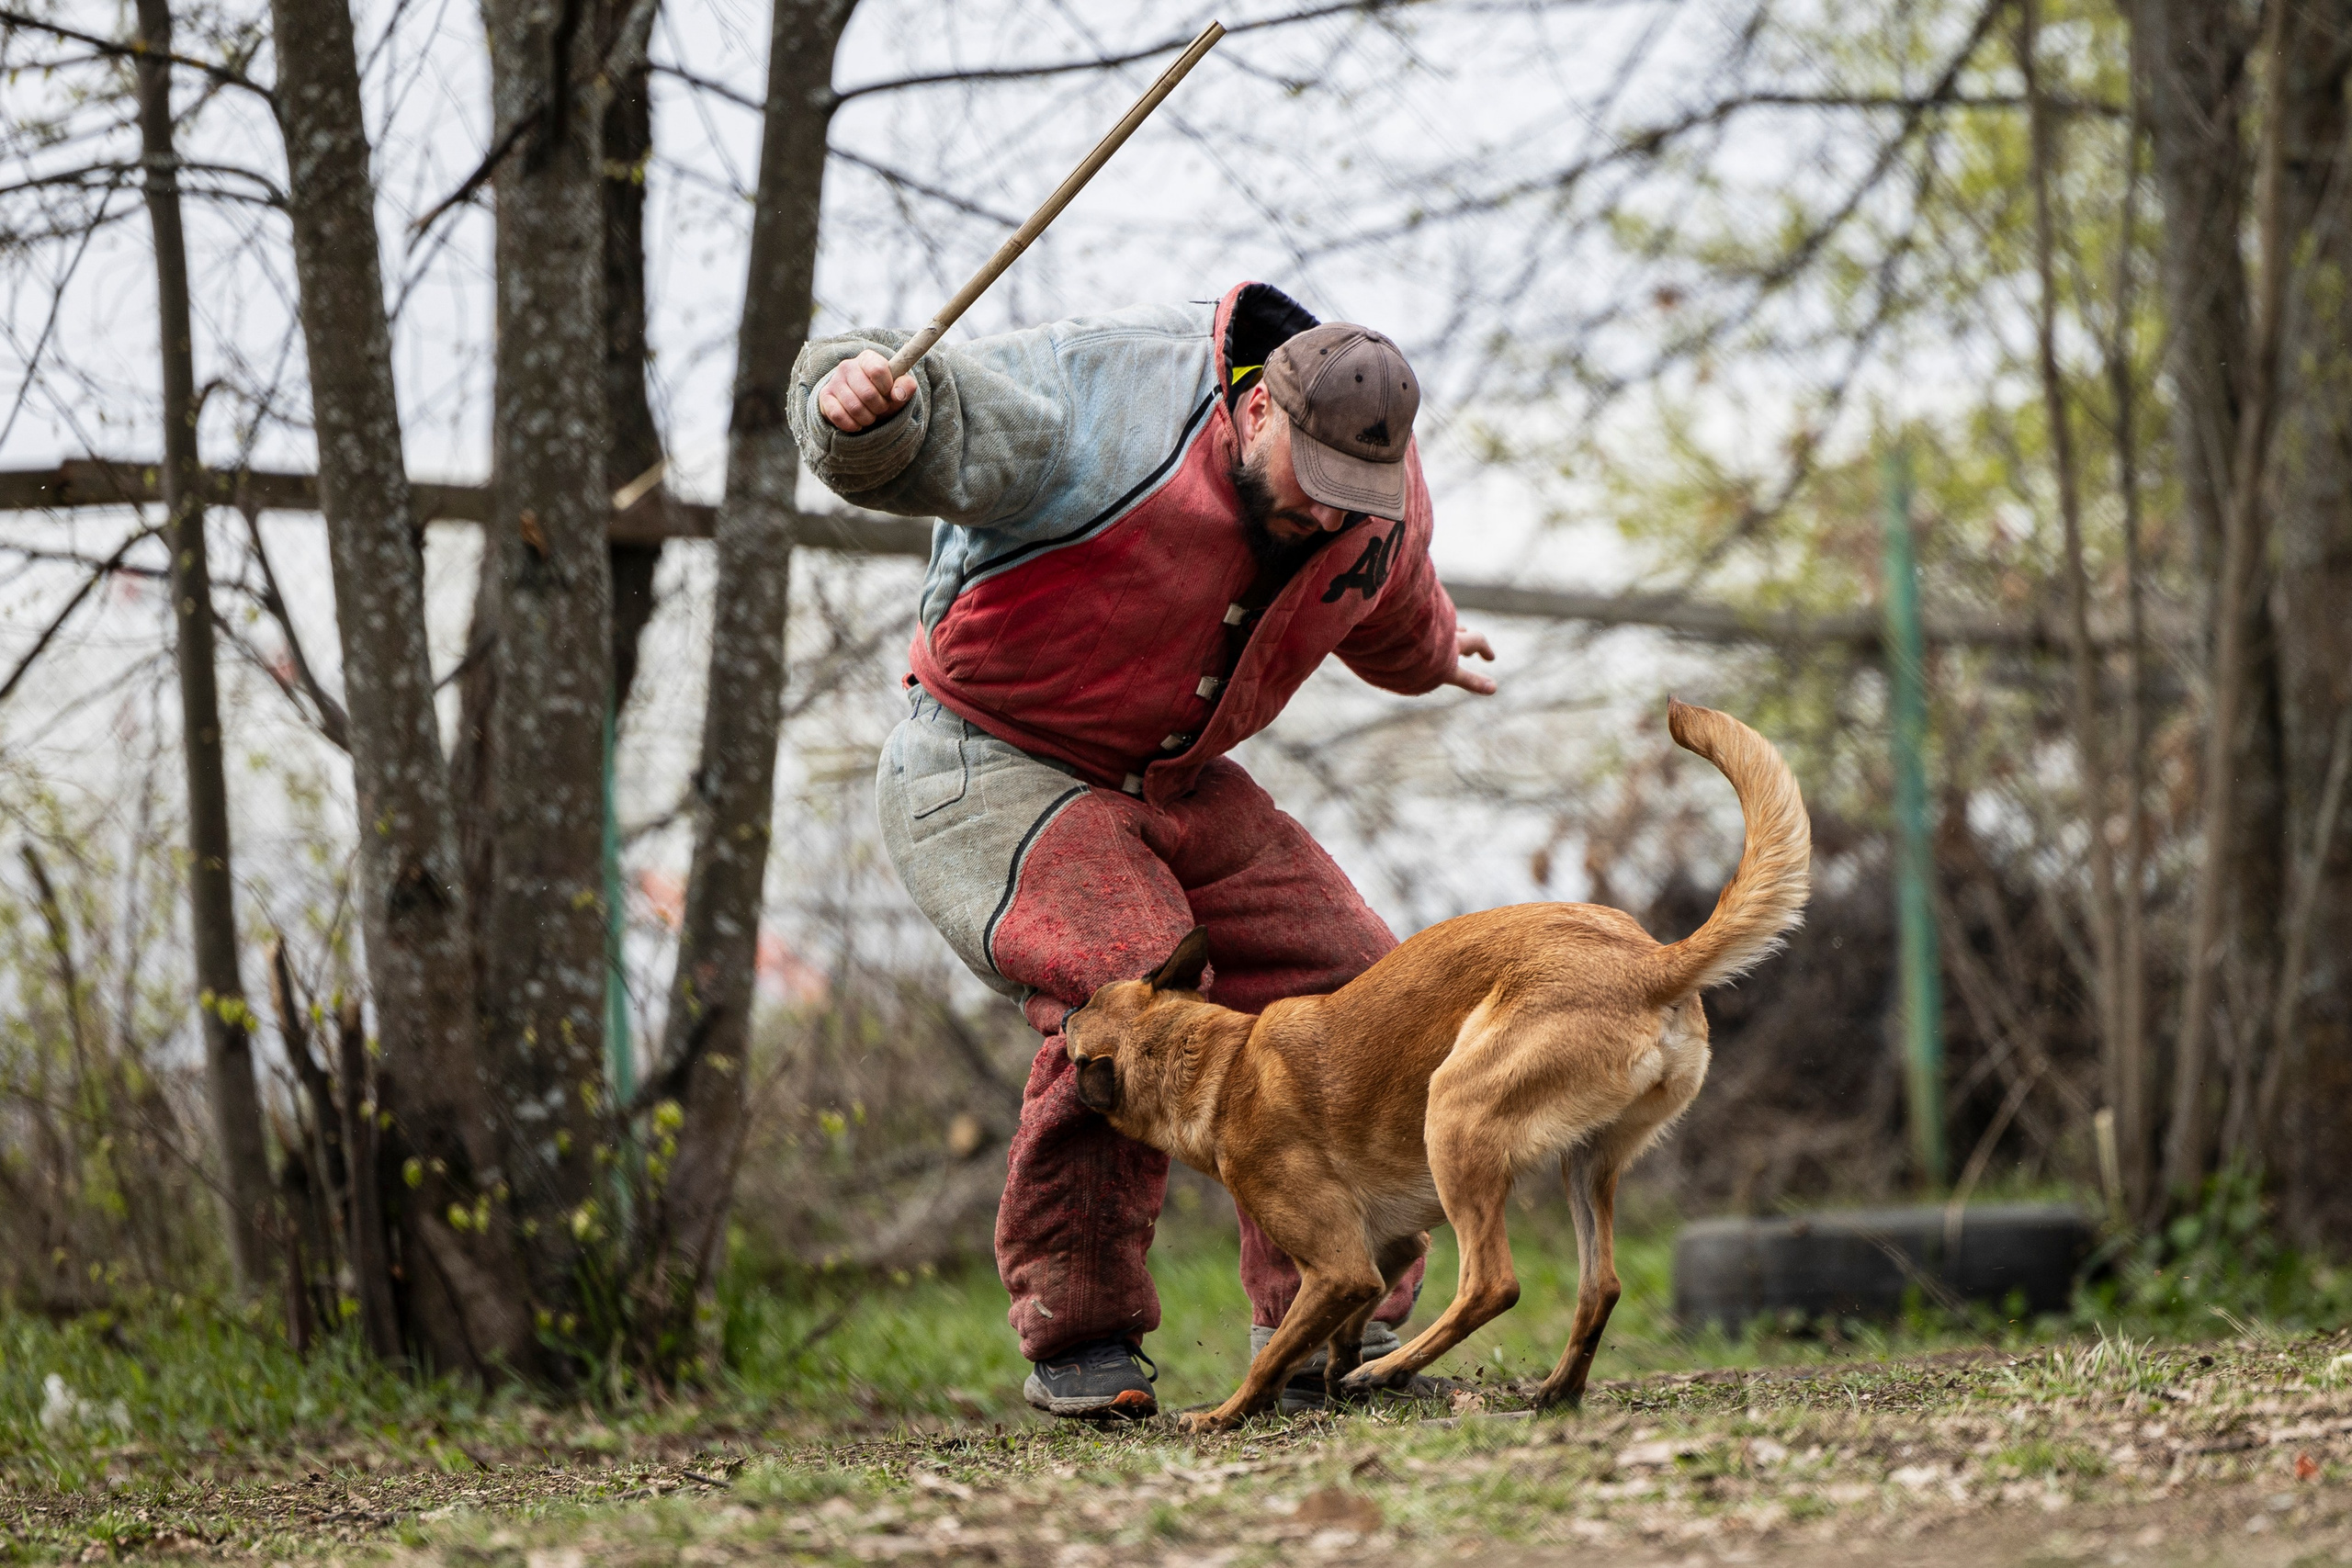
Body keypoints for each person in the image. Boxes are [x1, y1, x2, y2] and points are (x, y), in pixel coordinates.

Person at [788, 282, 1498, 1418]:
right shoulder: (1104, 399)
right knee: (1139, 988)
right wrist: (854, 406)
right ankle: (1082, 1335)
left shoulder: (1371, 486)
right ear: (1259, 411)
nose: (1327, 518)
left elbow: (1393, 596)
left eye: (1350, 502)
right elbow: (928, 424)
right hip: (988, 759)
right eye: (1310, 490)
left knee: (1367, 986)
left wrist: (1436, 655)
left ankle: (1331, 1320)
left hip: (1175, 781)